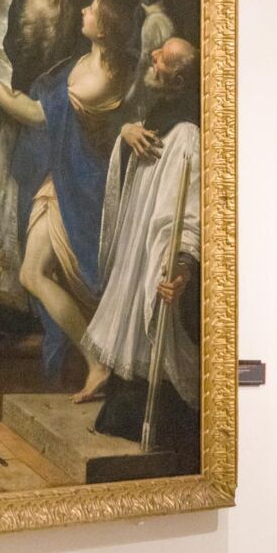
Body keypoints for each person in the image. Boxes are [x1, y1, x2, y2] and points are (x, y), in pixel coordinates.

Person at [0, 0, 133, 401]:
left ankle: (99, 363)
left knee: (39, 275)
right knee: (33, 273)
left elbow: (35, 114)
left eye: (92, 10)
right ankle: (97, 363)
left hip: (80, 186)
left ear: (103, 29)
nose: (83, 11)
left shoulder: (101, 80)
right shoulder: (85, 62)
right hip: (63, 178)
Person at [84, 37, 201, 454]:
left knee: (153, 335)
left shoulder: (187, 135)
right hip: (137, 245)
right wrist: (125, 133)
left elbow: (183, 209)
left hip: (155, 250)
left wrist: (180, 263)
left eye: (163, 57)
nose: (152, 56)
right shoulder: (159, 118)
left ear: (179, 80)